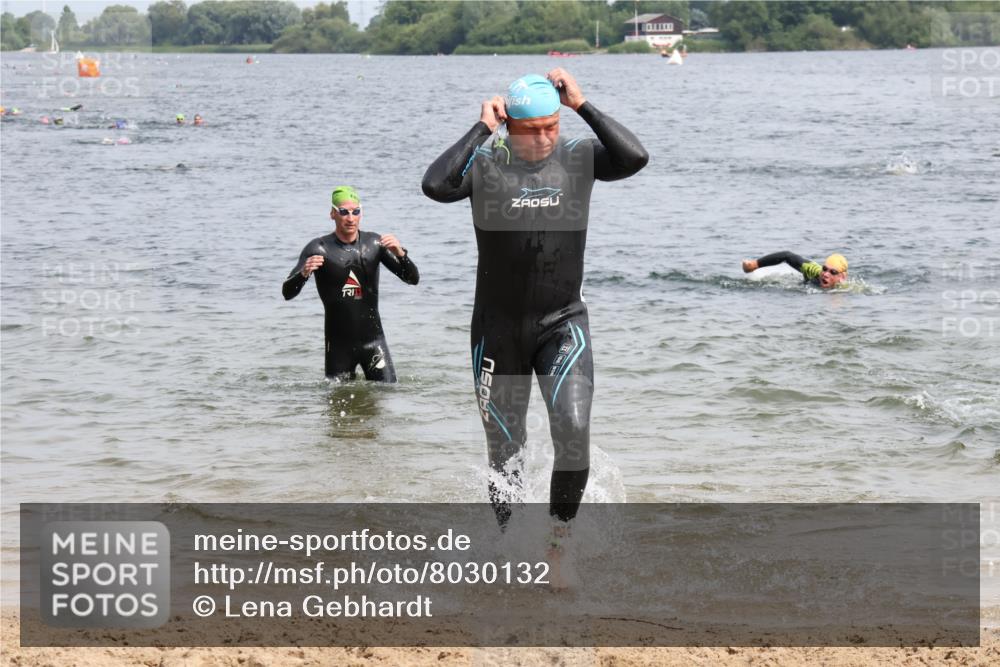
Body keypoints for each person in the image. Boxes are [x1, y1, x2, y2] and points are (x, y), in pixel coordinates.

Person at [421, 69, 648, 533]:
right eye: (532, 130)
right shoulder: (485, 165)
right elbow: (437, 185)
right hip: (497, 330)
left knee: (573, 431)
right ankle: (510, 543)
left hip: (562, 323)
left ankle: (558, 541)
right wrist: (482, 127)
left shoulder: (578, 157)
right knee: (505, 451)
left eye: (551, 126)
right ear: (509, 126)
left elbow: (635, 157)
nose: (544, 137)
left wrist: (581, 104)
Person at [282, 186, 419, 382]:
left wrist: (401, 254)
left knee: (388, 396)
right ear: (332, 214)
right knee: (338, 407)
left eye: (356, 212)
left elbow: (412, 279)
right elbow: (287, 293)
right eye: (344, 212)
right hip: (338, 348)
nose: (350, 218)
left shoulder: (374, 244)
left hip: (374, 343)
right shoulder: (318, 249)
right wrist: (303, 273)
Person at [742, 251, 849, 289]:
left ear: (842, 277)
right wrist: (754, 265)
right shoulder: (814, 271)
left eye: (833, 272)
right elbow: (787, 255)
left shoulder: (846, 289)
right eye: (824, 269)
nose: (825, 274)